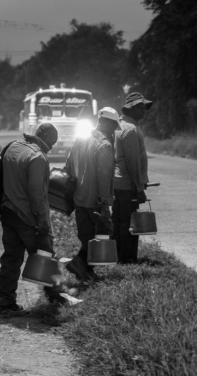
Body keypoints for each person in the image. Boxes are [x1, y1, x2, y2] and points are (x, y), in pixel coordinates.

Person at [0, 123, 58, 315]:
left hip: (7, 211)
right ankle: (56, 301)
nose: (52, 147)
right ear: (45, 136)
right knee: (46, 255)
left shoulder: (13, 146)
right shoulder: (38, 157)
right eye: (52, 142)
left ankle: (6, 305)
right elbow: (36, 195)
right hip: (26, 217)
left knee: (11, 260)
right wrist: (42, 224)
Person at [64, 107, 118, 282]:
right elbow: (104, 177)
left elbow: (69, 166)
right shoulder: (104, 145)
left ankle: (86, 272)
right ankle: (79, 264)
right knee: (102, 233)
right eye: (114, 126)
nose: (114, 131)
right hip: (95, 200)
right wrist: (105, 204)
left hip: (79, 197)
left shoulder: (81, 138)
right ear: (107, 123)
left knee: (86, 235)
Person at [112, 92, 153, 264]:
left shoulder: (121, 126)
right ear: (130, 109)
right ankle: (126, 259)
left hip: (120, 184)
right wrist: (139, 187)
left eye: (144, 106)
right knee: (127, 223)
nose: (144, 109)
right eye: (139, 106)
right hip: (127, 184)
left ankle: (118, 257)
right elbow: (132, 162)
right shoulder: (129, 130)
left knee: (120, 221)